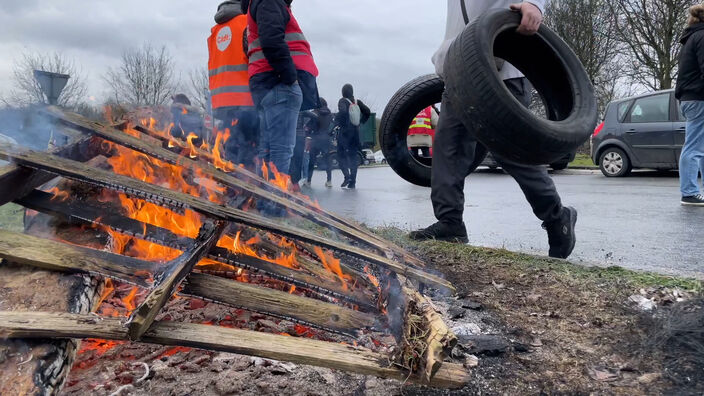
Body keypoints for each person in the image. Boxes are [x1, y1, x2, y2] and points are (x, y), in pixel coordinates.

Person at [409, 0, 578, 260]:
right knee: (448, 148)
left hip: (503, 71)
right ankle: (450, 223)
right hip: (459, 73)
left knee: (511, 152)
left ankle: (558, 217)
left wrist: (535, 4)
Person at [242, 0, 320, 177]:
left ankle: (265, 201)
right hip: (280, 84)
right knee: (281, 152)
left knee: (269, 152)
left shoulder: (259, 5)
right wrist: (290, 78)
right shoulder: (269, 2)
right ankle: (275, 202)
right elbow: (272, 40)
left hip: (270, 84)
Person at [208, 0, 258, 167]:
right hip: (244, 99)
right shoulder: (246, 22)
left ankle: (229, 185)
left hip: (220, 101)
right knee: (248, 147)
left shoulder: (215, 31)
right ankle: (244, 187)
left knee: (231, 143)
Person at [675, 4, 704, 207]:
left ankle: (691, 191)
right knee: (693, 146)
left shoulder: (691, 37)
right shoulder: (702, 36)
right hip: (698, 98)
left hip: (690, 97)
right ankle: (689, 192)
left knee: (699, 146)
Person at [335, 84, 371, 189]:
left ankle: (347, 176)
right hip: (355, 133)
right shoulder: (357, 102)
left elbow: (342, 112)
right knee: (353, 157)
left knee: (340, 155)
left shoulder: (342, 101)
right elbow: (367, 112)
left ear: (343, 92)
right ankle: (353, 182)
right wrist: (360, 122)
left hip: (345, 133)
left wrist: (337, 121)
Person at [305, 98, 334, 188]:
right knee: (327, 160)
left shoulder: (314, 113)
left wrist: (308, 133)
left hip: (316, 140)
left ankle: (308, 181)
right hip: (326, 140)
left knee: (312, 161)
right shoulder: (330, 114)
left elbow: (309, 127)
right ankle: (329, 181)